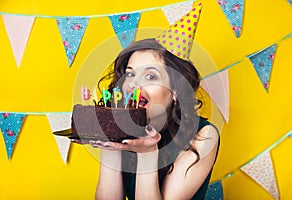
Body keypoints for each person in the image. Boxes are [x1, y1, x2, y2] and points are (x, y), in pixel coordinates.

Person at [77, 3, 219, 199]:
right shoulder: (124, 126)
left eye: (151, 77)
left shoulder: (204, 136)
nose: (134, 84)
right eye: (130, 74)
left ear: (176, 90)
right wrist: (109, 141)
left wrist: (147, 154)